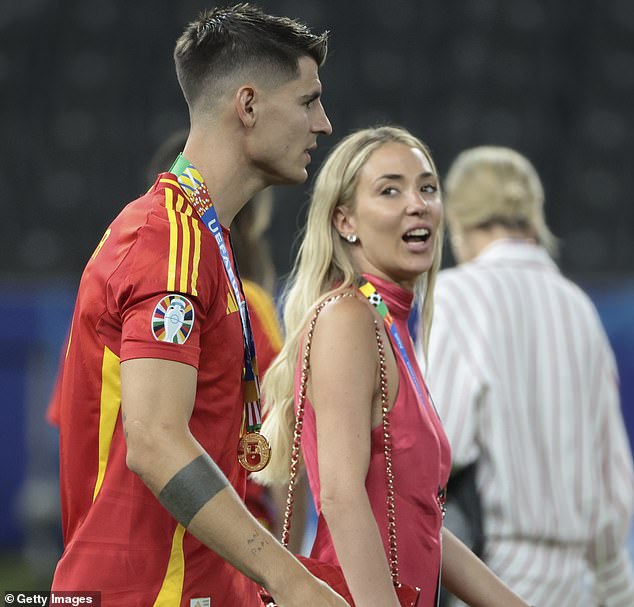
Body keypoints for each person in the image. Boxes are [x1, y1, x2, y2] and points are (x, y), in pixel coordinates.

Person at [49, 4, 343, 606]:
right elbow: (155, 442)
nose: (325, 123)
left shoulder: (200, 240)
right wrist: (291, 580)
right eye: (308, 100)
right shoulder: (169, 241)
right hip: (147, 593)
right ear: (249, 105)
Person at [255, 125, 532, 607]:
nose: (418, 203)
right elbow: (341, 500)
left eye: (427, 188)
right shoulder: (348, 318)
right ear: (346, 221)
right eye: (390, 190)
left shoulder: (387, 320)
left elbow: (421, 521)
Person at [420, 145, 634, 607]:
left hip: (495, 575)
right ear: (533, 217)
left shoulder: (459, 296)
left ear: (455, 221)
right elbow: (613, 475)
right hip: (579, 580)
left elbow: (439, 444)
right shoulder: (578, 305)